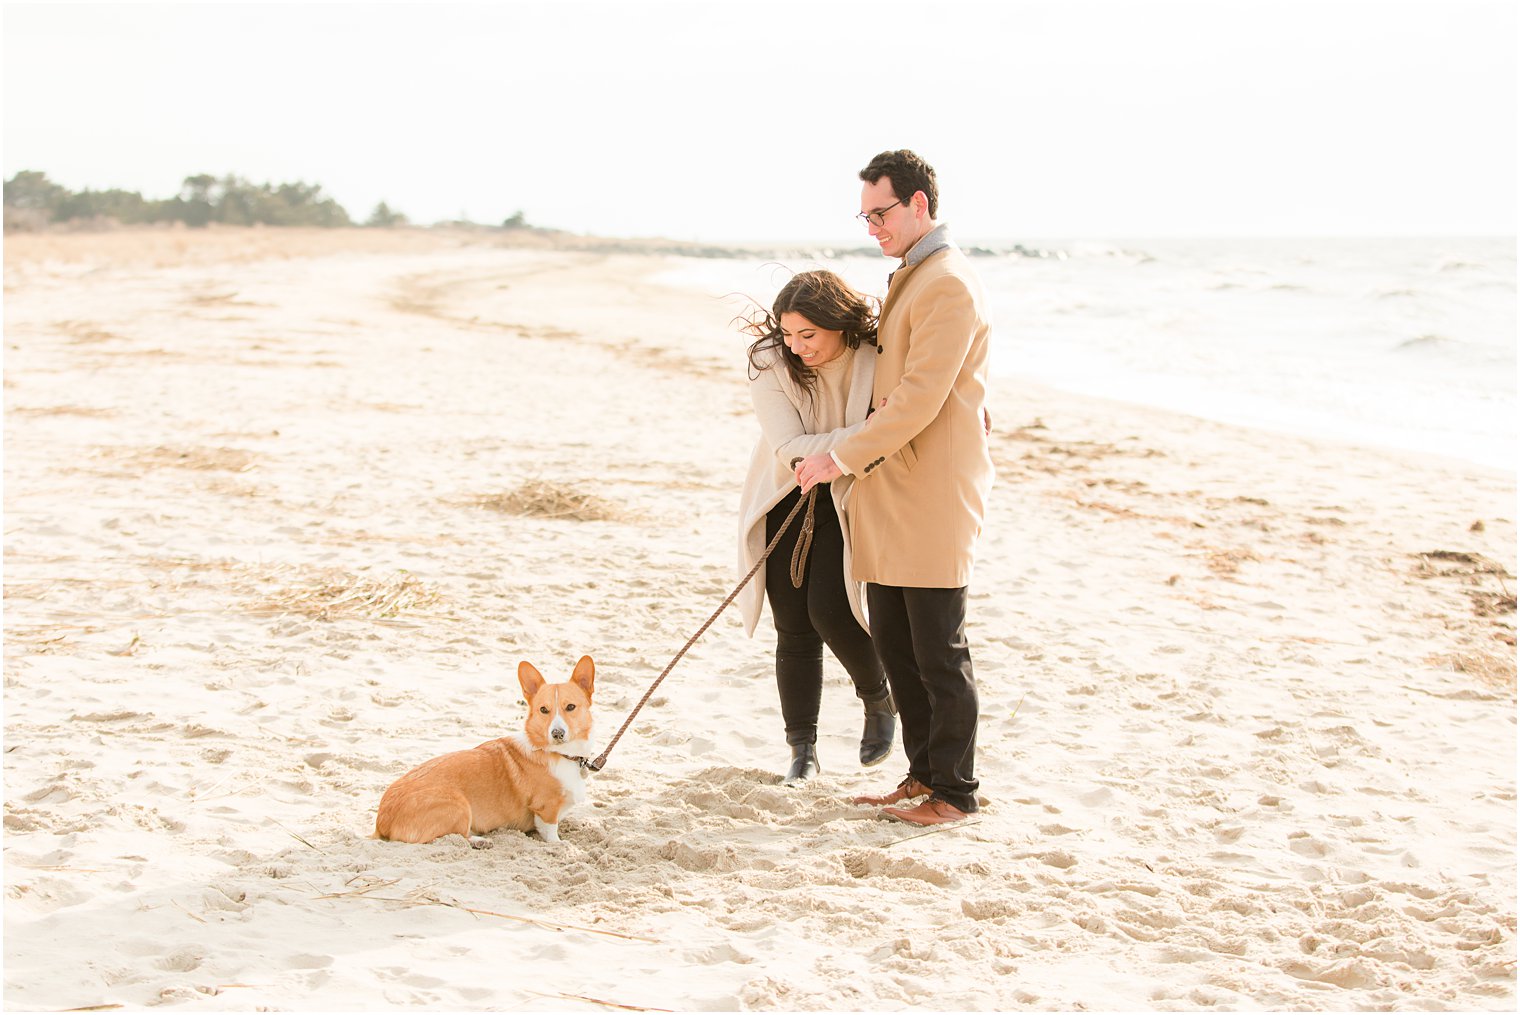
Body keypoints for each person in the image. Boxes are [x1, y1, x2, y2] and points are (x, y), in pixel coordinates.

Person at [795, 150, 995, 826]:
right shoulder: (913, 275)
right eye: (866, 215)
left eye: (881, 212)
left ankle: (957, 792)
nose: (872, 226)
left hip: (931, 494)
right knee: (899, 647)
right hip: (893, 489)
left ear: (919, 205)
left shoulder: (947, 283)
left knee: (939, 650)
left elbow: (917, 400)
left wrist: (836, 457)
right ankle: (921, 776)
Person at [737, 270, 897, 785]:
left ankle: (878, 699)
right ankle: (801, 749)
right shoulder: (768, 361)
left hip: (849, 493)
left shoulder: (876, 353)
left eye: (809, 335)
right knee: (793, 626)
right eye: (788, 334)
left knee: (833, 609)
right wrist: (869, 432)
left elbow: (923, 395)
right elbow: (788, 450)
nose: (796, 347)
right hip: (788, 491)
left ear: (839, 323)